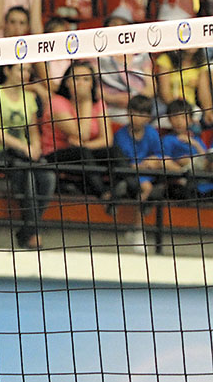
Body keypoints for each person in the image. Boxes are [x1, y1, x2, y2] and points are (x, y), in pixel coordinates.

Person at [0, 62, 56, 249]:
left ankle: (27, 230)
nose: (26, 74)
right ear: (7, 71)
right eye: (21, 69)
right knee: (26, 173)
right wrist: (23, 146)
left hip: (23, 154)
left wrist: (35, 147)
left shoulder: (29, 98)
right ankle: (33, 233)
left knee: (48, 176)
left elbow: (33, 131)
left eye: (28, 70)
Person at [40, 62, 114, 198]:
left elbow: (107, 140)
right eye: (76, 78)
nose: (81, 83)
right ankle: (104, 194)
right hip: (56, 154)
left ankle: (134, 190)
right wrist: (86, 102)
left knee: (114, 152)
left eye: (86, 79)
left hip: (85, 151)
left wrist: (84, 145)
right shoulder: (56, 102)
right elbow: (82, 134)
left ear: (92, 84)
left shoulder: (99, 104)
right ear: (67, 82)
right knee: (82, 153)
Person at [112, 95, 167, 251]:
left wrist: (153, 161)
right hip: (129, 174)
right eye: (134, 113)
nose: (137, 117)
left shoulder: (152, 133)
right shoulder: (120, 135)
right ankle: (138, 230)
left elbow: (159, 155)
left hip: (150, 172)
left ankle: (137, 229)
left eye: (142, 114)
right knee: (146, 188)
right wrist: (142, 165)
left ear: (148, 117)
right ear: (127, 113)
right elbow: (125, 163)